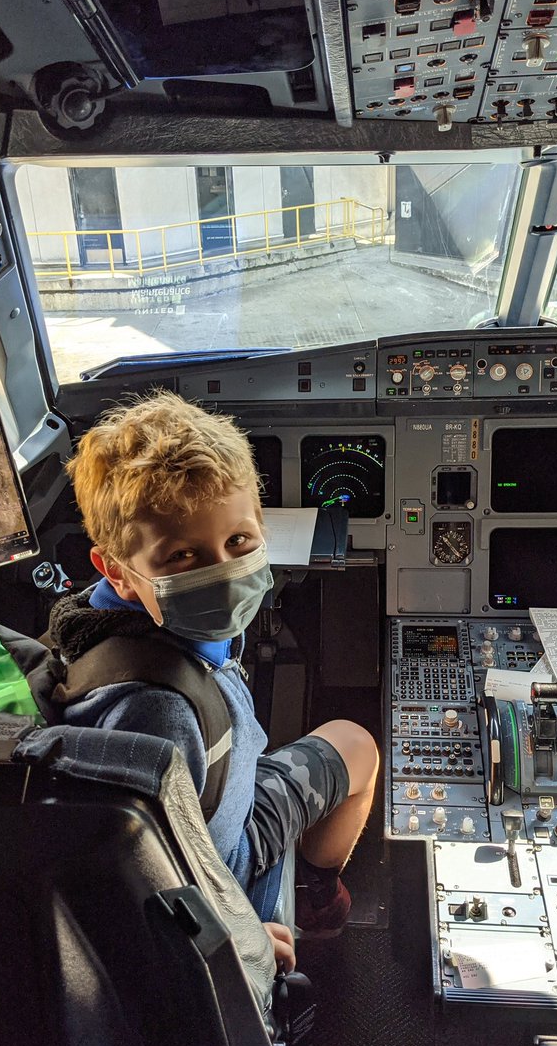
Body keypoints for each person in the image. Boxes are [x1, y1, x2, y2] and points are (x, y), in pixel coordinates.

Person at [49, 391, 379, 973]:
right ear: (119, 574)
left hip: (218, 812)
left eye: (239, 542)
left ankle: (314, 889)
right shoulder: (156, 714)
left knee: (351, 742)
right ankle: (316, 899)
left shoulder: (101, 620)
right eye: (182, 556)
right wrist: (240, 933)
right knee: (360, 748)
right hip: (226, 866)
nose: (223, 573)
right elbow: (145, 875)